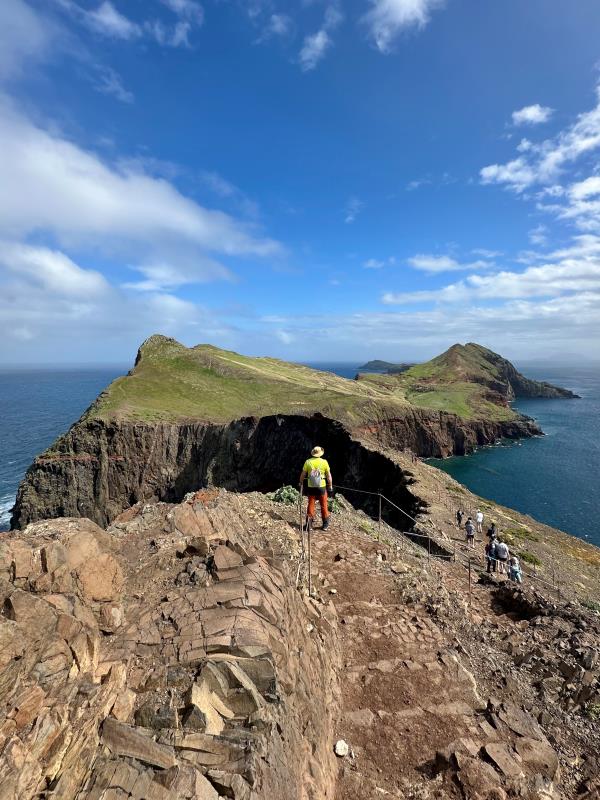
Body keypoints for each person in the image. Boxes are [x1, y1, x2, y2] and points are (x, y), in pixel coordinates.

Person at [299, 446, 333, 531]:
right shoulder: (324, 462)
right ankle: (325, 525)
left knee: (311, 504)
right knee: (324, 504)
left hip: (311, 487)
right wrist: (330, 485)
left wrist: (301, 482)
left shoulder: (308, 462)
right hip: (321, 487)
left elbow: (303, 474)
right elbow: (328, 475)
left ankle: (309, 525)